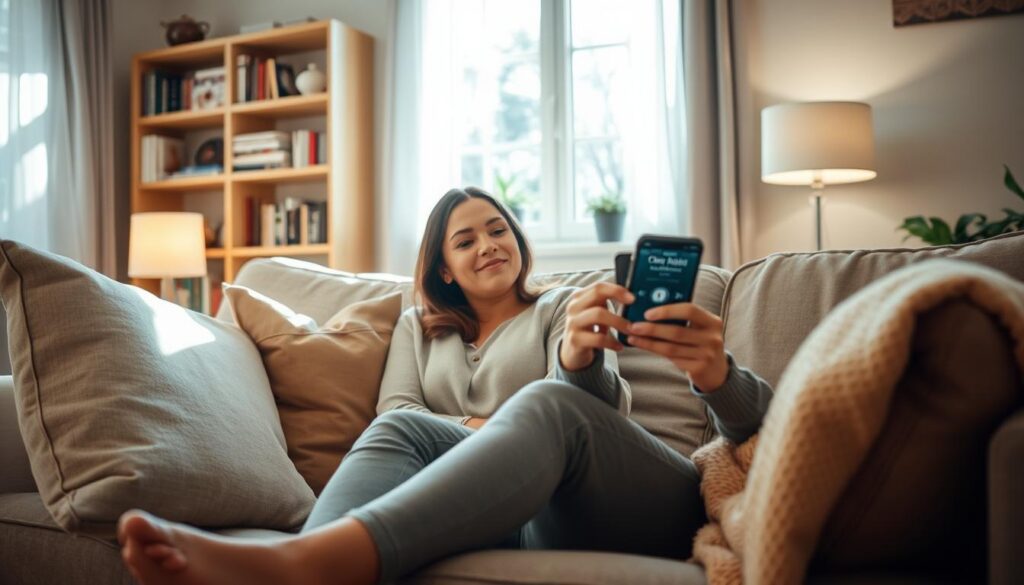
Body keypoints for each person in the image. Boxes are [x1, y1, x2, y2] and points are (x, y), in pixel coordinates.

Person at [118, 187, 774, 585]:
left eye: (499, 230)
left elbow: (591, 420)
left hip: (609, 497)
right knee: (399, 427)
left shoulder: (560, 307)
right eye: (467, 239)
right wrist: (486, 434)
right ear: (445, 268)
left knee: (548, 400)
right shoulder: (417, 325)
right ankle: (301, 557)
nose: (489, 243)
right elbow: (399, 410)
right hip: (504, 515)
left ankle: (305, 567)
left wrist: (574, 361)